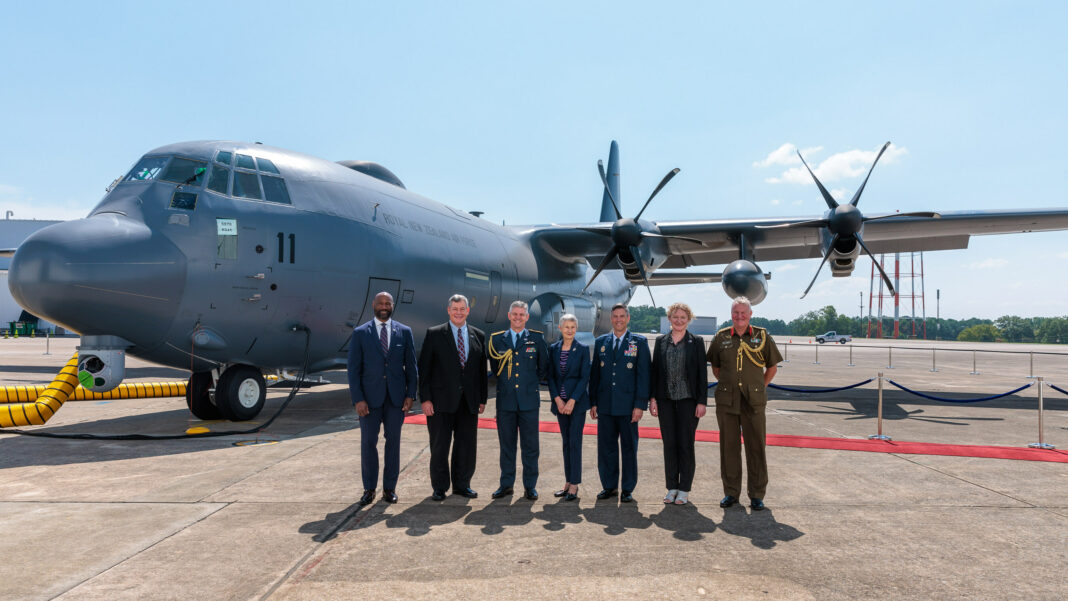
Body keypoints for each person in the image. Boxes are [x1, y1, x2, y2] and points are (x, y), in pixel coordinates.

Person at [706, 296, 782, 511]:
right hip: (727, 401)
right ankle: (731, 493)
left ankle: (757, 494)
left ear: (750, 315)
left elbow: (772, 368)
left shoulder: (762, 336)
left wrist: (759, 386)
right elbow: (716, 368)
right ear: (731, 315)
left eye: (743, 313)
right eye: (736, 313)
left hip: (754, 402)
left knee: (756, 447)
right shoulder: (721, 338)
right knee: (729, 448)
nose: (739, 316)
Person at [348, 291, 418, 506]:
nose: (384, 306)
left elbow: (412, 367)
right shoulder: (360, 333)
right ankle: (369, 489)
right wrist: (358, 399)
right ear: (373, 305)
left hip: (396, 400)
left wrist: (410, 395)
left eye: (388, 303)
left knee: (393, 443)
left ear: (392, 305)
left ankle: (390, 488)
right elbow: (353, 369)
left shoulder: (404, 332)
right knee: (368, 443)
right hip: (369, 400)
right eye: (381, 303)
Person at [418, 294, 488, 501]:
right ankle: (439, 487)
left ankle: (462, 484)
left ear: (468, 311)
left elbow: (481, 372)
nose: (458, 312)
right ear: (448, 310)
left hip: (469, 402)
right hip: (440, 402)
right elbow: (424, 370)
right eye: (455, 308)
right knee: (439, 446)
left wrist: (482, 398)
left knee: (466, 446)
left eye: (462, 308)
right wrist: (425, 399)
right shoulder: (435, 334)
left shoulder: (478, 335)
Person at [589, 303, 651, 503]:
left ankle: (627, 488)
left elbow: (644, 376)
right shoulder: (601, 342)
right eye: (615, 316)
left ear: (628, 318)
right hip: (605, 406)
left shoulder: (639, 342)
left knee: (629, 448)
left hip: (628, 407)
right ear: (611, 319)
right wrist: (593, 402)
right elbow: (595, 375)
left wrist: (640, 405)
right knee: (606, 448)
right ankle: (609, 486)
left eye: (622, 316)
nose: (618, 320)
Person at [488, 300, 549, 501]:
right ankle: (506, 485)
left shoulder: (537, 340)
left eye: (521, 315)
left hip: (529, 403)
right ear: (508, 316)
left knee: (531, 446)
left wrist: (527, 386)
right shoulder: (497, 340)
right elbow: (497, 370)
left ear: (527, 317)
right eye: (514, 314)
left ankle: (530, 486)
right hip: (505, 403)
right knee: (507, 446)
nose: (517, 318)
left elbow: (542, 369)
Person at [649, 302, 708, 505]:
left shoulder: (697, 342)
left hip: (688, 401)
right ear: (669, 319)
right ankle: (671, 487)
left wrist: (702, 401)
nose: (679, 320)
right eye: (675, 317)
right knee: (669, 444)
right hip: (665, 400)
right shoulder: (661, 342)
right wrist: (653, 398)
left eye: (683, 317)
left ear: (688, 319)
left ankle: (684, 489)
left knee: (685, 444)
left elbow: (702, 374)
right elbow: (655, 372)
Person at [546, 313, 591, 502]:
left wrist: (572, 400)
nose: (570, 330)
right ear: (560, 328)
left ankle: (574, 485)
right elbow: (550, 377)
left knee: (575, 443)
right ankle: (567, 482)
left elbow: (584, 377)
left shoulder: (582, 349)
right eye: (566, 327)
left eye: (573, 327)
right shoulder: (553, 349)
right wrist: (557, 399)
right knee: (566, 443)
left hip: (576, 405)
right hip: (560, 404)